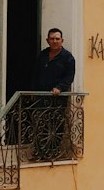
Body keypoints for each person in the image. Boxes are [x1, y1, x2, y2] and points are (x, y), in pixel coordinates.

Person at [30, 27, 75, 161]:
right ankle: (39, 152)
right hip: (41, 97)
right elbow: (35, 74)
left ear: (62, 40)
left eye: (57, 39)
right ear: (47, 40)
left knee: (55, 124)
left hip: (57, 98)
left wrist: (59, 88)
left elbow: (69, 76)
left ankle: (52, 152)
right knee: (40, 124)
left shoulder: (68, 58)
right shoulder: (42, 55)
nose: (54, 41)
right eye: (52, 39)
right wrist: (33, 91)